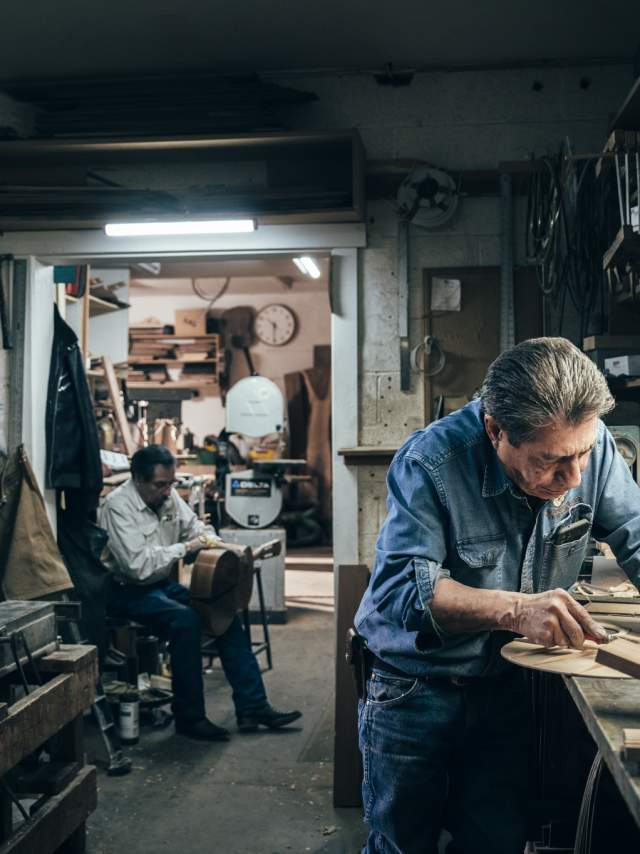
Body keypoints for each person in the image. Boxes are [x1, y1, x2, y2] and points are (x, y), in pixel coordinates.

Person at [354, 337, 640, 854]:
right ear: (495, 430)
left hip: (505, 686)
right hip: (414, 687)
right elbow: (402, 590)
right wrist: (516, 608)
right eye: (550, 461)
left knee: (495, 840)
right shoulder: (432, 462)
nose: (573, 477)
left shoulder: (584, 446)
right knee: (402, 842)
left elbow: (635, 532)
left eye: (583, 453)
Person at [99, 444, 302, 742]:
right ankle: (189, 718)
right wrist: (187, 548)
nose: (168, 492)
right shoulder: (118, 506)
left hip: (156, 585)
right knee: (186, 621)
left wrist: (218, 544)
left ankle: (252, 707)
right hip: (125, 591)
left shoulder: (166, 499)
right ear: (138, 480)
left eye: (171, 484)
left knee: (223, 611)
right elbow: (136, 566)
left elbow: (195, 528)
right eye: (160, 485)